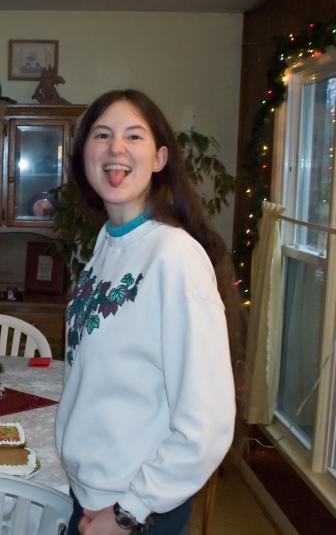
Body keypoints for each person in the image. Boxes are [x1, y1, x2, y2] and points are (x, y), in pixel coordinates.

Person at [55, 90, 242, 535]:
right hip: (91, 492)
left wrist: (128, 511)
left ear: (159, 158)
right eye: (102, 135)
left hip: (137, 508)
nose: (116, 148)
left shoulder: (173, 256)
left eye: (133, 136)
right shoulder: (106, 243)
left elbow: (207, 422)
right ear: (84, 155)